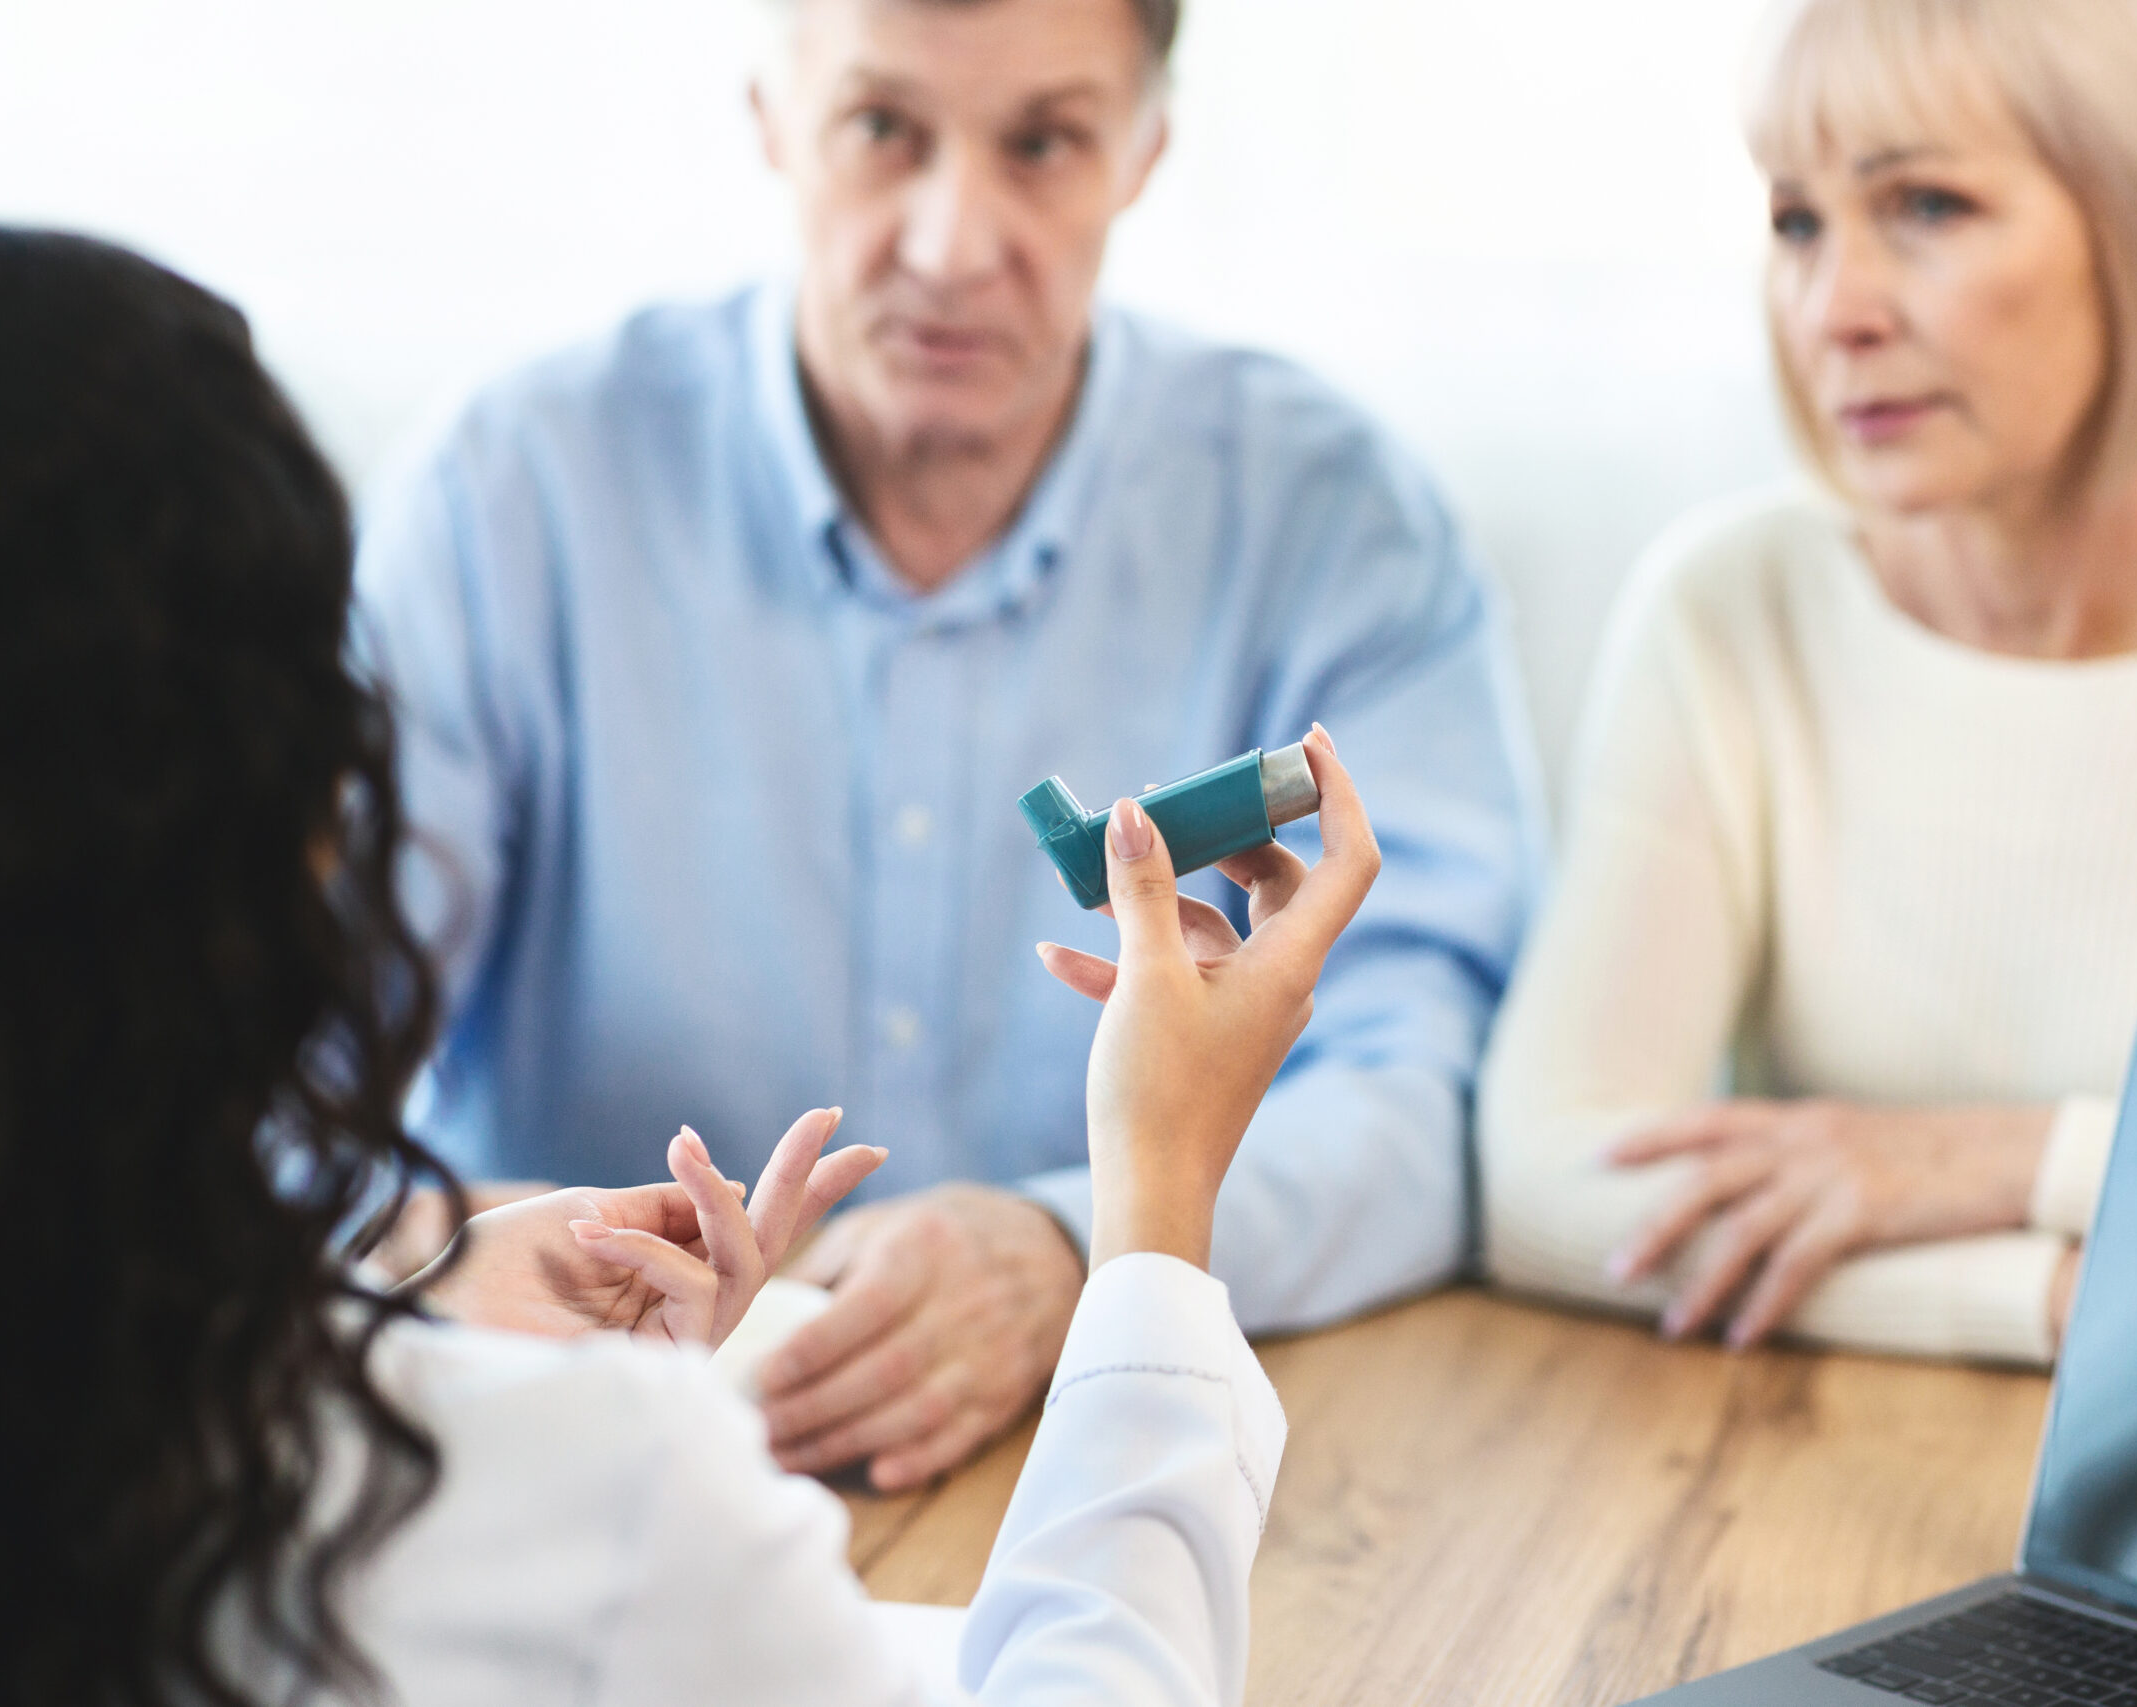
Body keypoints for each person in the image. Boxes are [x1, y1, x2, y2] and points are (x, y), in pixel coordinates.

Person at [0, 223, 1382, 1705]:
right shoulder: (559, 1494)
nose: (956, 239)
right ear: (295, 818)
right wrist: (1153, 1208)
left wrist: (398, 1299)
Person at [357, 0, 1538, 1490]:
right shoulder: (503, 500)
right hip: (576, 1476)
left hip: (1125, 1456)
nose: (949, 243)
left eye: (1042, 143)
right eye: (881, 131)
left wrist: (1080, 1245)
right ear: (773, 121)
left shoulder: (1338, 521)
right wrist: (509, 1254)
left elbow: (1434, 1095)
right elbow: (264, 1082)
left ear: (1144, 149)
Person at [1477, 0, 2137, 1366]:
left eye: (1925, 205)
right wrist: (2061, 1297)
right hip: (1803, 1471)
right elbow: (1550, 1187)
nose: (1833, 309)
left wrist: (2022, 1160)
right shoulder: (1728, 611)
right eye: (1797, 221)